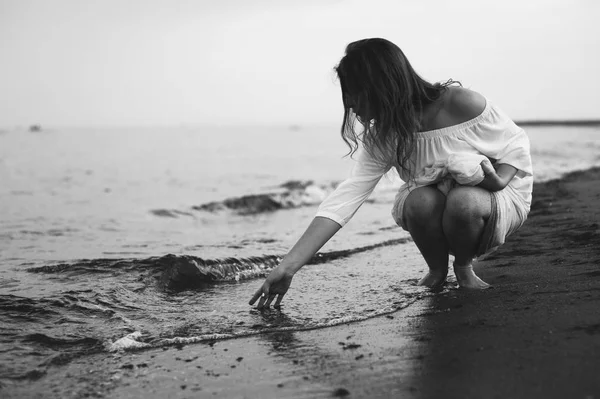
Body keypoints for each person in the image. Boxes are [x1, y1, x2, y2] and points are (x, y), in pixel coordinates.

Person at [249, 38, 533, 309]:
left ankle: (463, 267)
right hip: (439, 205)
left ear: (379, 86)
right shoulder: (384, 135)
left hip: (493, 199)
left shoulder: (460, 102)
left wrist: (499, 180)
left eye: (353, 94)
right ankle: (436, 270)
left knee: (464, 200)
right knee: (419, 200)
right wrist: (288, 267)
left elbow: (515, 144)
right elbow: (347, 196)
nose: (350, 105)